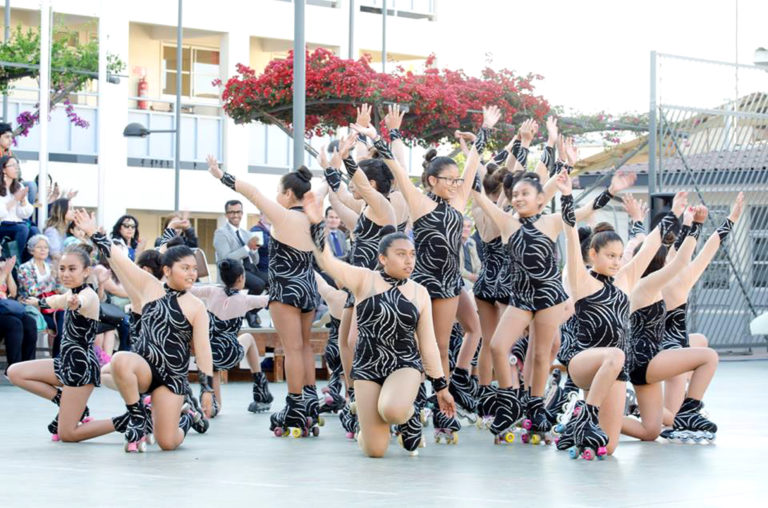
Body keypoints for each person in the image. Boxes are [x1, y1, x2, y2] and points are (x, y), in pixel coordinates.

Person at [372, 104, 494, 434]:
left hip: (450, 282)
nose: (456, 183)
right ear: (431, 180)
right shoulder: (419, 202)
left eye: (457, 180)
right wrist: (390, 134)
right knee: (430, 345)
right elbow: (396, 170)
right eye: (449, 179)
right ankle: (425, 401)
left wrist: (485, 129)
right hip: (426, 283)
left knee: (452, 339)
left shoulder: (457, 201)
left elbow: (472, 166)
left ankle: (445, 397)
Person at [305, 193, 455, 456]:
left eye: (411, 254)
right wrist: (318, 223)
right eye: (400, 255)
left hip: (405, 364)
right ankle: (373, 427)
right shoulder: (365, 280)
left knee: (392, 410)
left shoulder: (420, 292)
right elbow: (328, 262)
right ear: (383, 258)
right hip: (367, 366)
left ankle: (407, 415)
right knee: (375, 451)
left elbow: (429, 343)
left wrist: (441, 386)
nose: (409, 261)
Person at [556, 173, 686, 457]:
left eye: (618, 256)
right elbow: (569, 233)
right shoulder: (582, 281)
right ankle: (587, 417)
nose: (616, 261)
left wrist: (674, 213)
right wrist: (566, 196)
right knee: (616, 354)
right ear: (593, 254)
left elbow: (651, 245)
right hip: (584, 361)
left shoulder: (625, 281)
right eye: (609, 256)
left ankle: (578, 426)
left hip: (615, 369)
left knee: (609, 446)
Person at [74, 208, 215, 452]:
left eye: (194, 268)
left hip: (171, 379)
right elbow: (120, 260)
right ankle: (138, 416)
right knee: (119, 360)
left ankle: (187, 417)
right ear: (168, 270)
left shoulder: (196, 306)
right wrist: (93, 233)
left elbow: (203, 351)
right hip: (145, 369)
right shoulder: (149, 286)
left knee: (167, 443)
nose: (192, 273)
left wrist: (207, 389)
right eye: (185, 268)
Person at [207, 155, 320, 438]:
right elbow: (325, 188)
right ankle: (310, 403)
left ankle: (294, 407)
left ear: (288, 194)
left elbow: (252, 193)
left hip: (286, 289)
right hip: (308, 287)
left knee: (292, 348)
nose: (275, 196)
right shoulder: (312, 215)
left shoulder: (284, 214)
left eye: (279, 191)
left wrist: (221, 175)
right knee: (305, 347)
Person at [7, 245, 129, 443]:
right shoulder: (71, 293)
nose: (65, 273)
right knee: (15, 372)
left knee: (68, 434)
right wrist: (36, 303)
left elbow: (81, 301)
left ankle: (128, 420)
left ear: (86, 271)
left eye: (72, 269)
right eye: (62, 268)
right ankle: (62, 400)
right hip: (65, 362)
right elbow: (57, 300)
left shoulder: (87, 295)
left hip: (80, 369)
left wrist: (76, 302)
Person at [188, 258, 273, 415]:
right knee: (248, 338)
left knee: (215, 408)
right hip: (228, 353)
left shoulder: (211, 291)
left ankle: (208, 405)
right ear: (241, 278)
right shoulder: (245, 299)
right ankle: (261, 390)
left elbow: (190, 290)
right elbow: (271, 300)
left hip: (207, 354)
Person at [213, 200, 264, 327]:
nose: (235, 215)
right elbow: (226, 259)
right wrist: (246, 248)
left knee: (275, 282)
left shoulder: (246, 233)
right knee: (259, 285)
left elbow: (256, 261)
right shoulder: (221, 233)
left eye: (238, 212)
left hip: (250, 270)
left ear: (242, 213)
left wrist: (254, 250)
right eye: (231, 212)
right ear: (226, 215)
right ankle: (248, 313)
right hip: (232, 271)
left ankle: (249, 312)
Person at [18, 234, 63, 354]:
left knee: (64, 320)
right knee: (56, 324)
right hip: (34, 306)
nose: (43, 250)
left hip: (51, 304)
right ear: (32, 250)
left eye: (46, 247)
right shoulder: (25, 268)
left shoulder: (50, 267)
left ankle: (57, 359)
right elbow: (32, 291)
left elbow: (59, 289)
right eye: (39, 247)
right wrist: (50, 279)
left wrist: (59, 276)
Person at [0, 255, 37, 372]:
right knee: (15, 324)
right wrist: (4, 273)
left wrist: (8, 272)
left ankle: (28, 367)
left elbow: (13, 292)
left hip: (5, 309)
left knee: (30, 323)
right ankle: (14, 369)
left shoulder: (3, 268)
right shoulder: (3, 271)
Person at [0, 155, 33, 263]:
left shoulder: (19, 186)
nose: (16, 168)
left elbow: (25, 214)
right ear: (4, 169)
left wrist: (23, 200)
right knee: (22, 229)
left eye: (17, 165)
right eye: (12, 165)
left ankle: (17, 261)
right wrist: (15, 200)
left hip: (16, 224)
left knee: (34, 231)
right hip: (2, 224)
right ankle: (13, 261)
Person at [459, 216, 481, 289]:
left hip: (473, 278)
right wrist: (472, 277)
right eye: (463, 226)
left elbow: (477, 263)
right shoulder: (455, 243)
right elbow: (459, 269)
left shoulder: (472, 242)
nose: (466, 229)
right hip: (461, 278)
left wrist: (478, 275)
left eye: (468, 227)